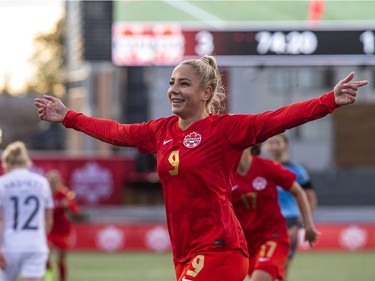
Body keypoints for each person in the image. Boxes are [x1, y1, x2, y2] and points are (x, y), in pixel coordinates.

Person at [34, 55, 368, 281]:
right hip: (186, 251)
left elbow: (277, 119)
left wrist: (327, 101)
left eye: (184, 84)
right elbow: (117, 132)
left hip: (219, 248)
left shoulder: (224, 130)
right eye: (172, 82)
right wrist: (68, 117)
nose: (173, 90)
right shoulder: (160, 131)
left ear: (207, 92)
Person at [232, 144, 319, 281]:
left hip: (273, 237)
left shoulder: (267, 167)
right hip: (246, 245)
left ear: (250, 143)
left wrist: (308, 225)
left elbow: (299, 192)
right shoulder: (224, 176)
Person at [265, 133, 317, 280]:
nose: (274, 146)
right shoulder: (262, 168)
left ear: (286, 146)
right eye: (271, 143)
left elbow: (311, 198)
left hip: (289, 221)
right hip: (266, 222)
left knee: (283, 265)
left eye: (278, 142)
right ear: (266, 147)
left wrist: (300, 224)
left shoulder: (297, 171)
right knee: (263, 264)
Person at [0, 141, 54, 281]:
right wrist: (40, 238)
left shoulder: (2, 183)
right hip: (35, 245)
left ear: (7, 162)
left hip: (9, 245)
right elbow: (48, 221)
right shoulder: (42, 182)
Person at [45, 169, 79, 281]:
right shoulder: (44, 194)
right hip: (49, 229)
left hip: (63, 230)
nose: (53, 183)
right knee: (44, 253)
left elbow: (75, 212)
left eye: (55, 180)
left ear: (59, 181)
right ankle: (50, 269)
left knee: (61, 259)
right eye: (51, 180)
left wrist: (68, 205)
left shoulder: (65, 195)